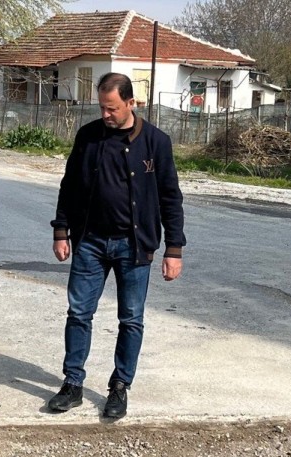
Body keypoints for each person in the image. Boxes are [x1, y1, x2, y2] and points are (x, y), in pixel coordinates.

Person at [48, 72, 185, 419]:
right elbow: (70, 186)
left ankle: (120, 386)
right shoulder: (89, 137)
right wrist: (61, 230)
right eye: (102, 108)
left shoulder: (156, 142)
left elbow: (171, 197)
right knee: (79, 313)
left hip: (134, 246)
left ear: (131, 103)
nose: (105, 115)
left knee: (131, 319)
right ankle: (73, 384)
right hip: (91, 241)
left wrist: (174, 249)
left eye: (112, 109)